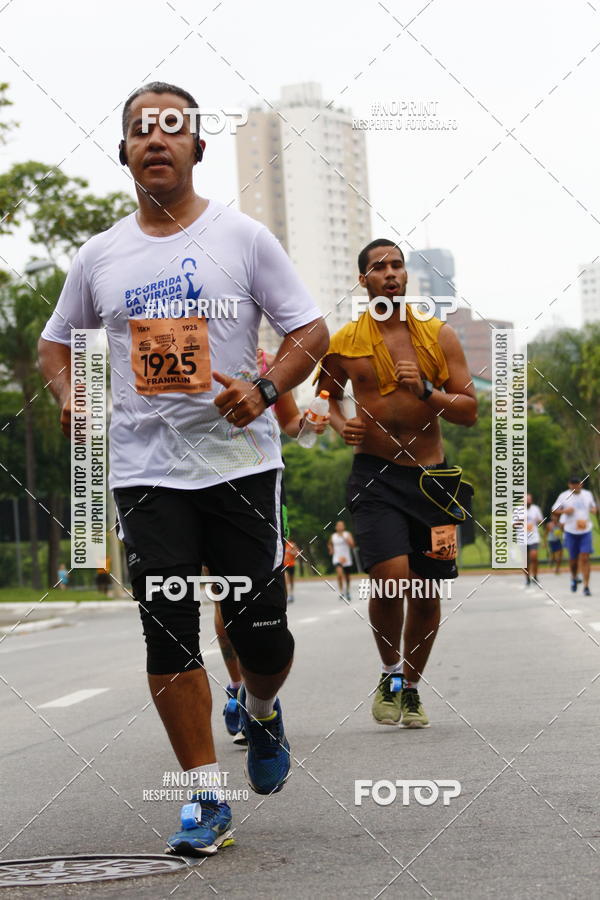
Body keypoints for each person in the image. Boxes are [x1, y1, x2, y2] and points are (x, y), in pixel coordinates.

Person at [38, 81, 328, 857]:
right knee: (167, 629)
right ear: (124, 152)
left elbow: (310, 331)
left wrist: (265, 388)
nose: (156, 139)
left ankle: (261, 711)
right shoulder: (100, 256)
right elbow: (56, 343)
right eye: (142, 129)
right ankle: (204, 795)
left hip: (240, 463)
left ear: (198, 147)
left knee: (261, 637)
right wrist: (70, 393)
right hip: (146, 469)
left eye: (172, 127)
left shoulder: (245, 240)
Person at [317, 238, 477, 728]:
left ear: (406, 276)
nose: (390, 272)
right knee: (390, 579)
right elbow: (327, 395)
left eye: (397, 265)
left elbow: (468, 410)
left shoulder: (438, 336)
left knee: (427, 593)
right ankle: (389, 674)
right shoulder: (344, 342)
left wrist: (426, 390)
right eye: (379, 267)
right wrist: (342, 425)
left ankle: (410, 689)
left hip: (433, 482)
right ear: (363, 280)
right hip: (375, 476)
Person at [213, 347, 328, 744]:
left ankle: (256, 692)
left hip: (258, 487)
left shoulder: (268, 365)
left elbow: (292, 423)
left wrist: (310, 426)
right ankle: (237, 688)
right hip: (196, 484)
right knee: (223, 593)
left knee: (256, 597)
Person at [553, 476, 597, 595]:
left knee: (585, 557)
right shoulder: (563, 496)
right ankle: (573, 577)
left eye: (577, 484)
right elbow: (554, 510)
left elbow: (593, 507)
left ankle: (586, 586)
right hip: (571, 532)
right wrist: (564, 511)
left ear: (581, 484)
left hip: (585, 531)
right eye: (573, 484)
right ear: (569, 485)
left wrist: (594, 510)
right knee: (573, 561)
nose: (575, 486)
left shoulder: (587, 494)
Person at [327, 521, 355, 601]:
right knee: (339, 574)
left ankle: (348, 591)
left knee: (347, 576)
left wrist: (344, 538)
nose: (340, 527)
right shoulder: (333, 536)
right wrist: (331, 549)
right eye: (338, 526)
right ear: (336, 527)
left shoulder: (347, 534)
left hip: (346, 558)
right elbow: (329, 544)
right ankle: (341, 592)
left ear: (344, 527)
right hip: (337, 558)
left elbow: (352, 545)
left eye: (341, 526)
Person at [522, 494, 543, 589]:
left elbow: (541, 521)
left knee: (534, 556)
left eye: (529, 500)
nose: (528, 502)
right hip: (522, 538)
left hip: (533, 537)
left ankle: (535, 576)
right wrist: (521, 521)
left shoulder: (536, 509)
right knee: (525, 561)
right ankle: (527, 578)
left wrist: (537, 520)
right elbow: (513, 524)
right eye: (526, 500)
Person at [283, 538, 301, 603]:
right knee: (286, 579)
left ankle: (291, 594)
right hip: (284, 565)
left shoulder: (292, 544)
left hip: (291, 565)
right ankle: (287, 595)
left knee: (291, 581)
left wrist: (292, 552)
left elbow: (298, 553)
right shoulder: (282, 544)